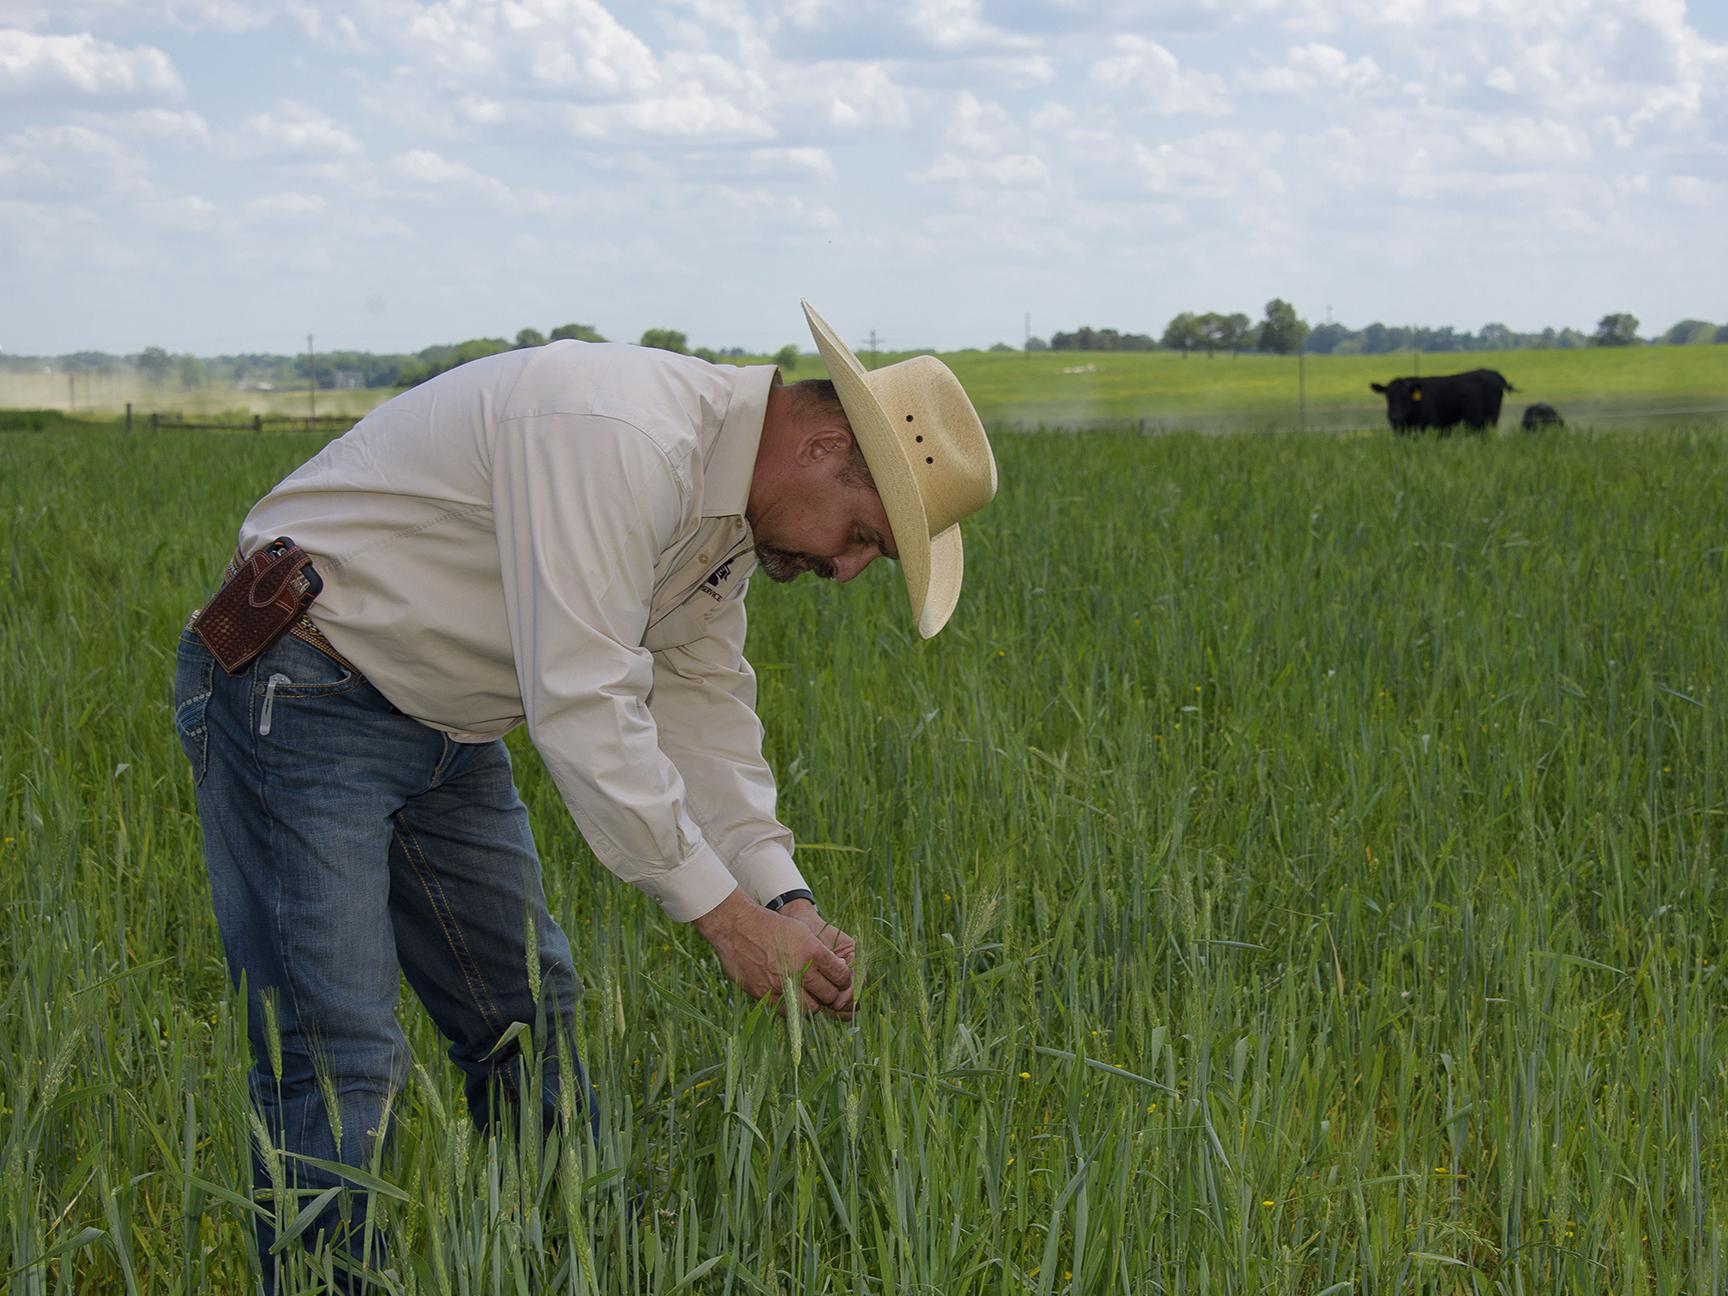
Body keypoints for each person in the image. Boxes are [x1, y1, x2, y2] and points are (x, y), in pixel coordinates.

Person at [171, 300, 998, 1290]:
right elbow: (587, 705)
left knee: (529, 1018)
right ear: (824, 444)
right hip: (301, 685)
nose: (848, 569)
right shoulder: (621, 436)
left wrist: (782, 896)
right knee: (339, 1054)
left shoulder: (725, 512)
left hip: (449, 721)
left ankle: (565, 1268)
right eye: (864, 535)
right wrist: (728, 924)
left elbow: (702, 701)